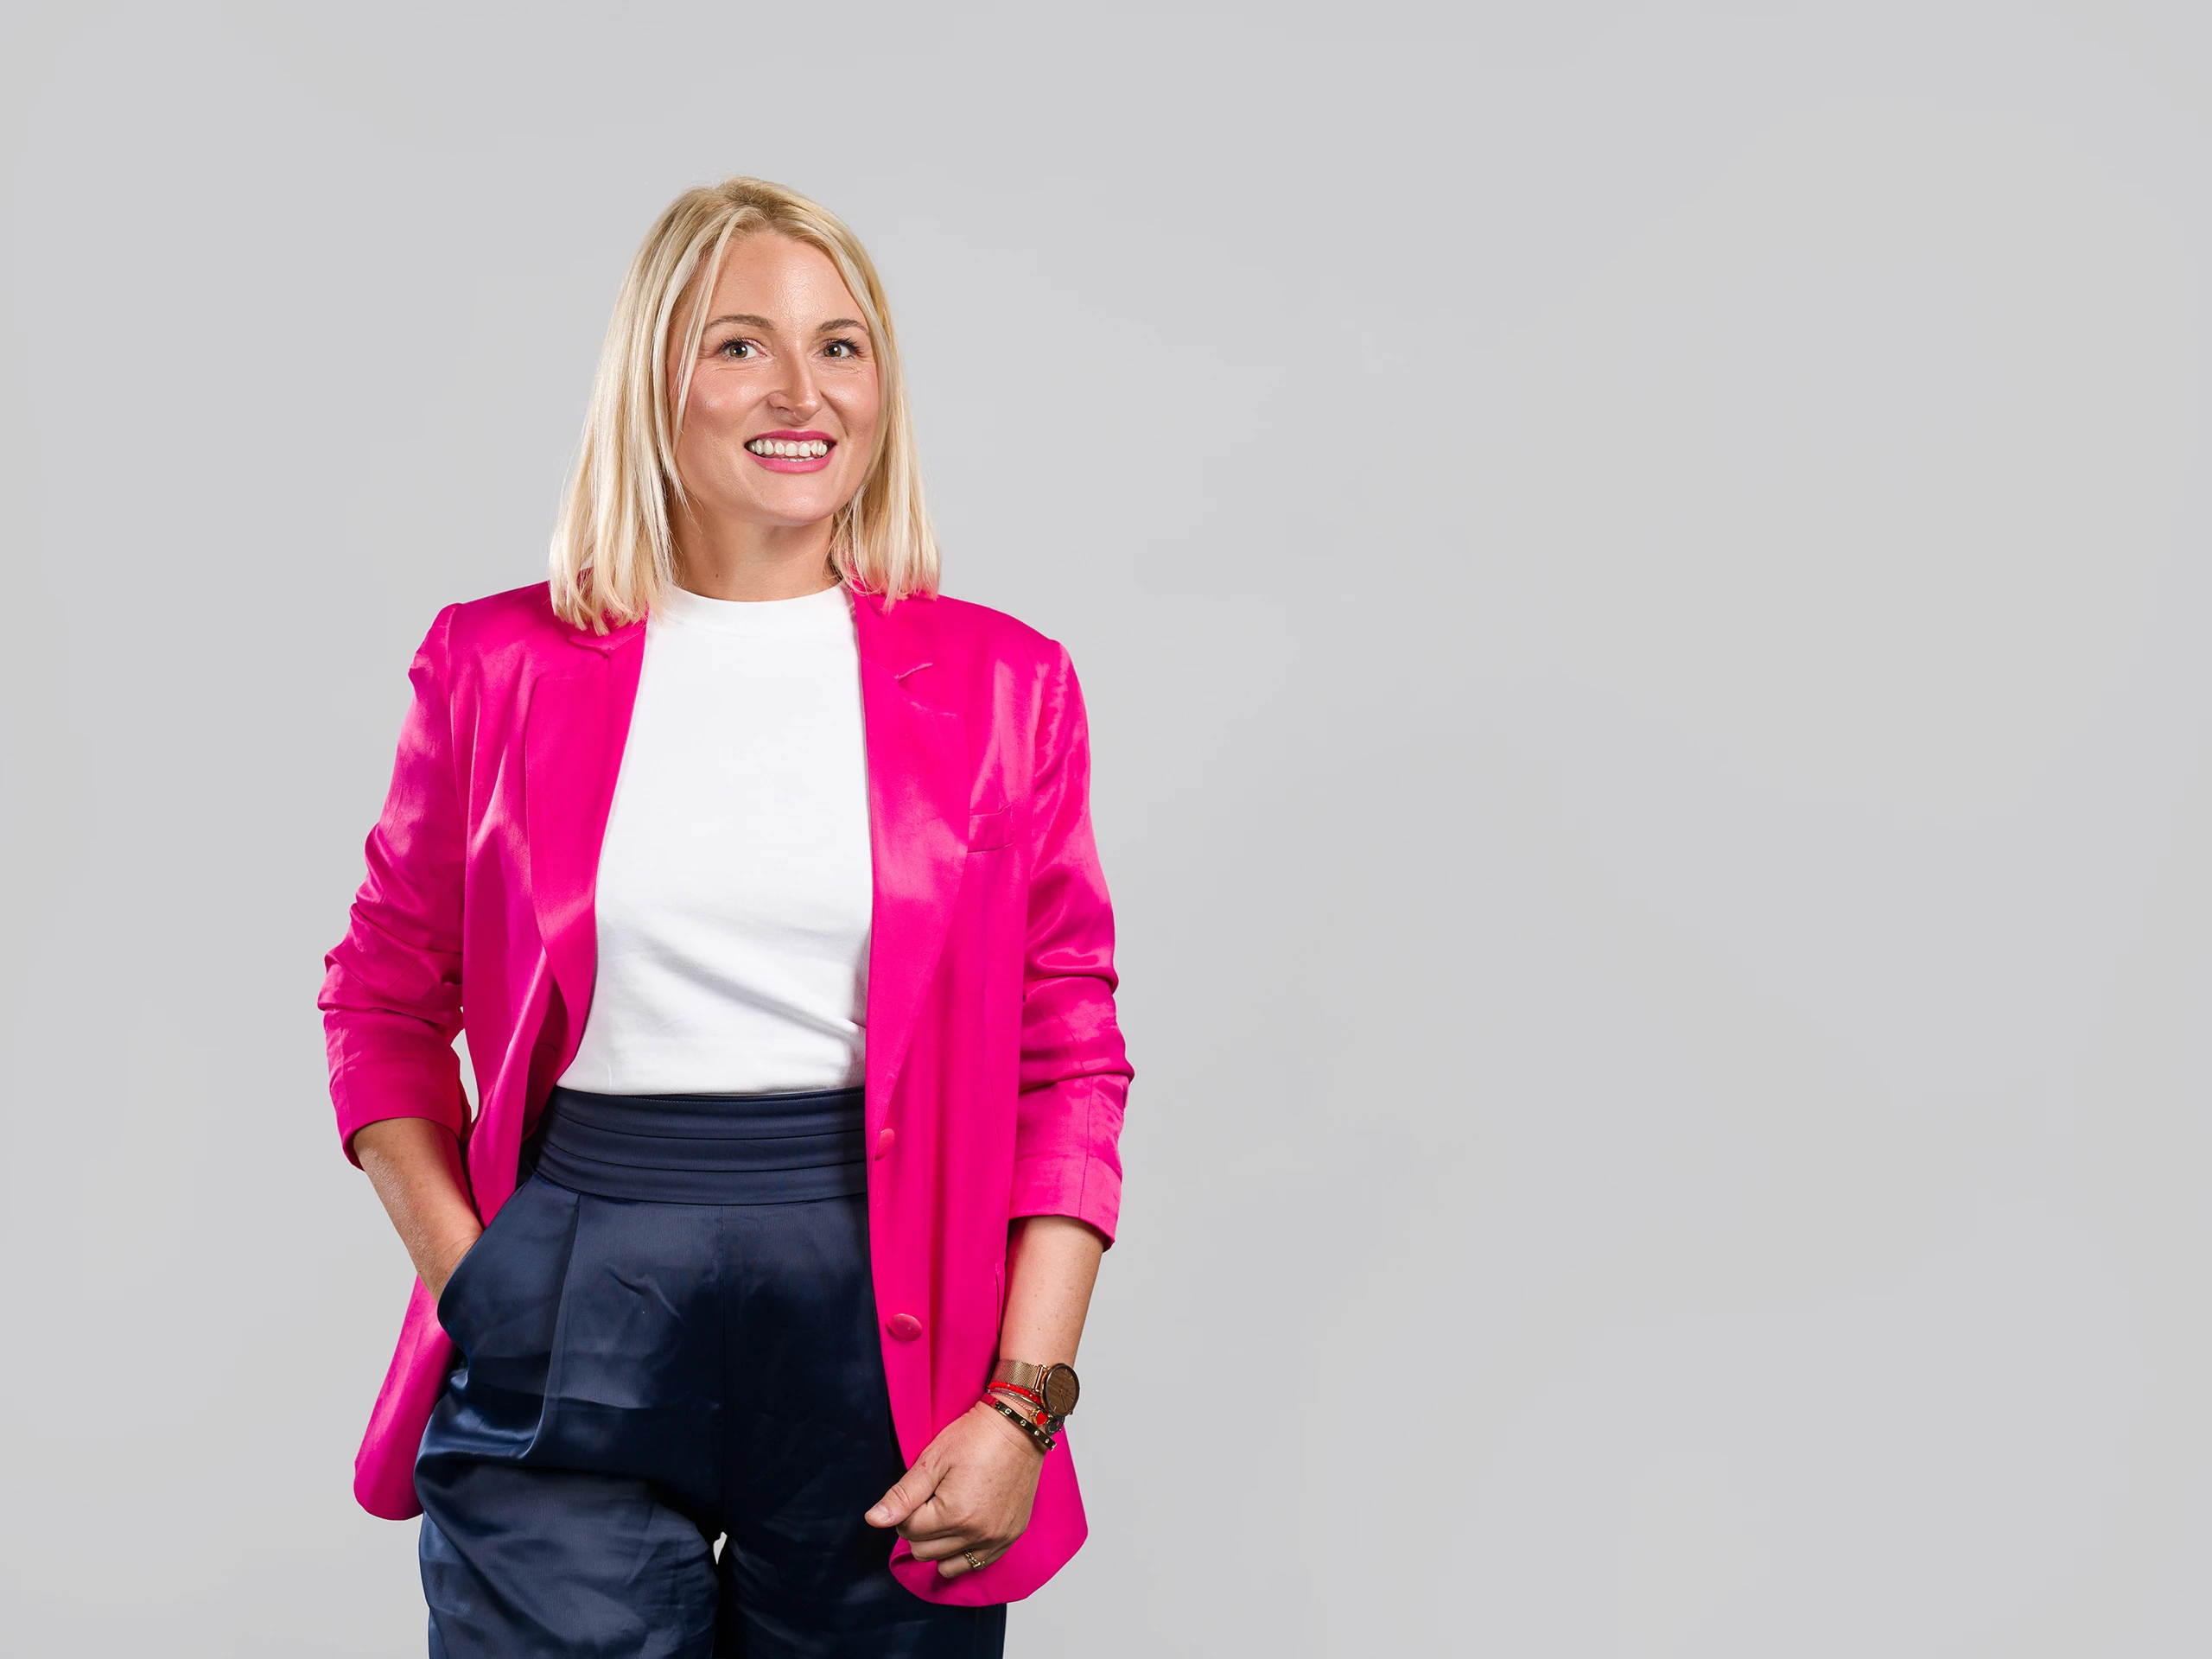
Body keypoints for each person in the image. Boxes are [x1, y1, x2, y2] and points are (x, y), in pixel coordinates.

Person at [319, 175, 1131, 1658]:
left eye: (842, 346)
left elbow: (1069, 1058)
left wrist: (1024, 1397)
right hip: (572, 1283)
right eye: (740, 344)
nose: (802, 389)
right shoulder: (493, 665)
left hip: (890, 1317)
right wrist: (473, 1278)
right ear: (656, 382)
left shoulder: (1009, 688)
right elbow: (379, 1001)